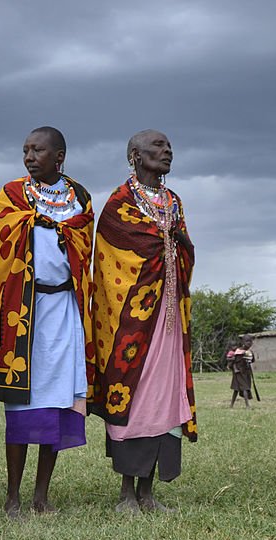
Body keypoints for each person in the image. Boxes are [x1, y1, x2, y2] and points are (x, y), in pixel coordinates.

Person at [0, 126, 93, 516]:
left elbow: (85, 247)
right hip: (23, 313)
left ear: (59, 157)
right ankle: (12, 497)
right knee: (21, 407)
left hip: (65, 311)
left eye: (37, 150)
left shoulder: (81, 198)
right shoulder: (11, 195)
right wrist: (31, 224)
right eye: (25, 150)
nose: (28, 157)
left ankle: (41, 496)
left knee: (56, 405)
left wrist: (54, 229)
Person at [90, 130, 196, 513]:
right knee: (133, 399)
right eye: (158, 146)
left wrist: (177, 243)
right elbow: (110, 260)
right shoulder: (119, 204)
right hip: (131, 321)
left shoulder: (173, 201)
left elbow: (182, 247)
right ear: (134, 155)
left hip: (168, 319)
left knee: (163, 399)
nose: (167, 151)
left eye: (169, 146)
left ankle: (148, 493)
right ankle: (125, 493)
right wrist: (160, 244)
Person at [229, 334, 255, 408]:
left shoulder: (249, 352)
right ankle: (247, 405)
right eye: (247, 341)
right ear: (243, 342)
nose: (249, 343)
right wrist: (235, 369)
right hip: (238, 372)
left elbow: (252, 360)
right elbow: (233, 361)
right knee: (244, 388)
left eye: (250, 341)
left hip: (246, 372)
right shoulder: (238, 351)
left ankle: (231, 405)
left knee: (237, 389)